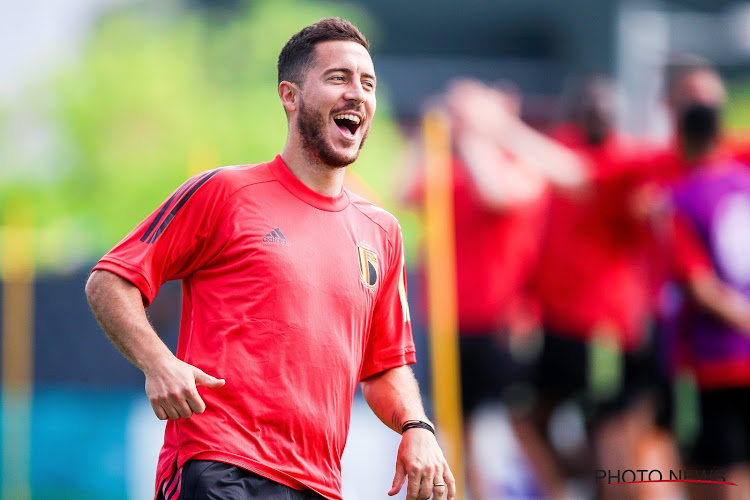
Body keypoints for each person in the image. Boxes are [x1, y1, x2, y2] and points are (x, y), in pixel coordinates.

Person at [84, 18, 454, 500]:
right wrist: (158, 363)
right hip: (218, 463)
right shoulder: (225, 192)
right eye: (338, 78)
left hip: (317, 483)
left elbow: (385, 365)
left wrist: (416, 426)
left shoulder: (382, 232)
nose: (357, 94)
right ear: (290, 95)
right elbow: (110, 280)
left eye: (368, 83)